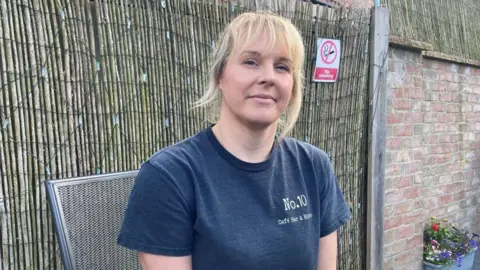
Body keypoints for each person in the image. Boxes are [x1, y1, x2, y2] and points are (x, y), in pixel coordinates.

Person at [117, 11, 351, 270]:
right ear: (220, 76)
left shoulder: (313, 166)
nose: (268, 77)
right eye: (251, 62)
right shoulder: (170, 176)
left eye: (282, 66)